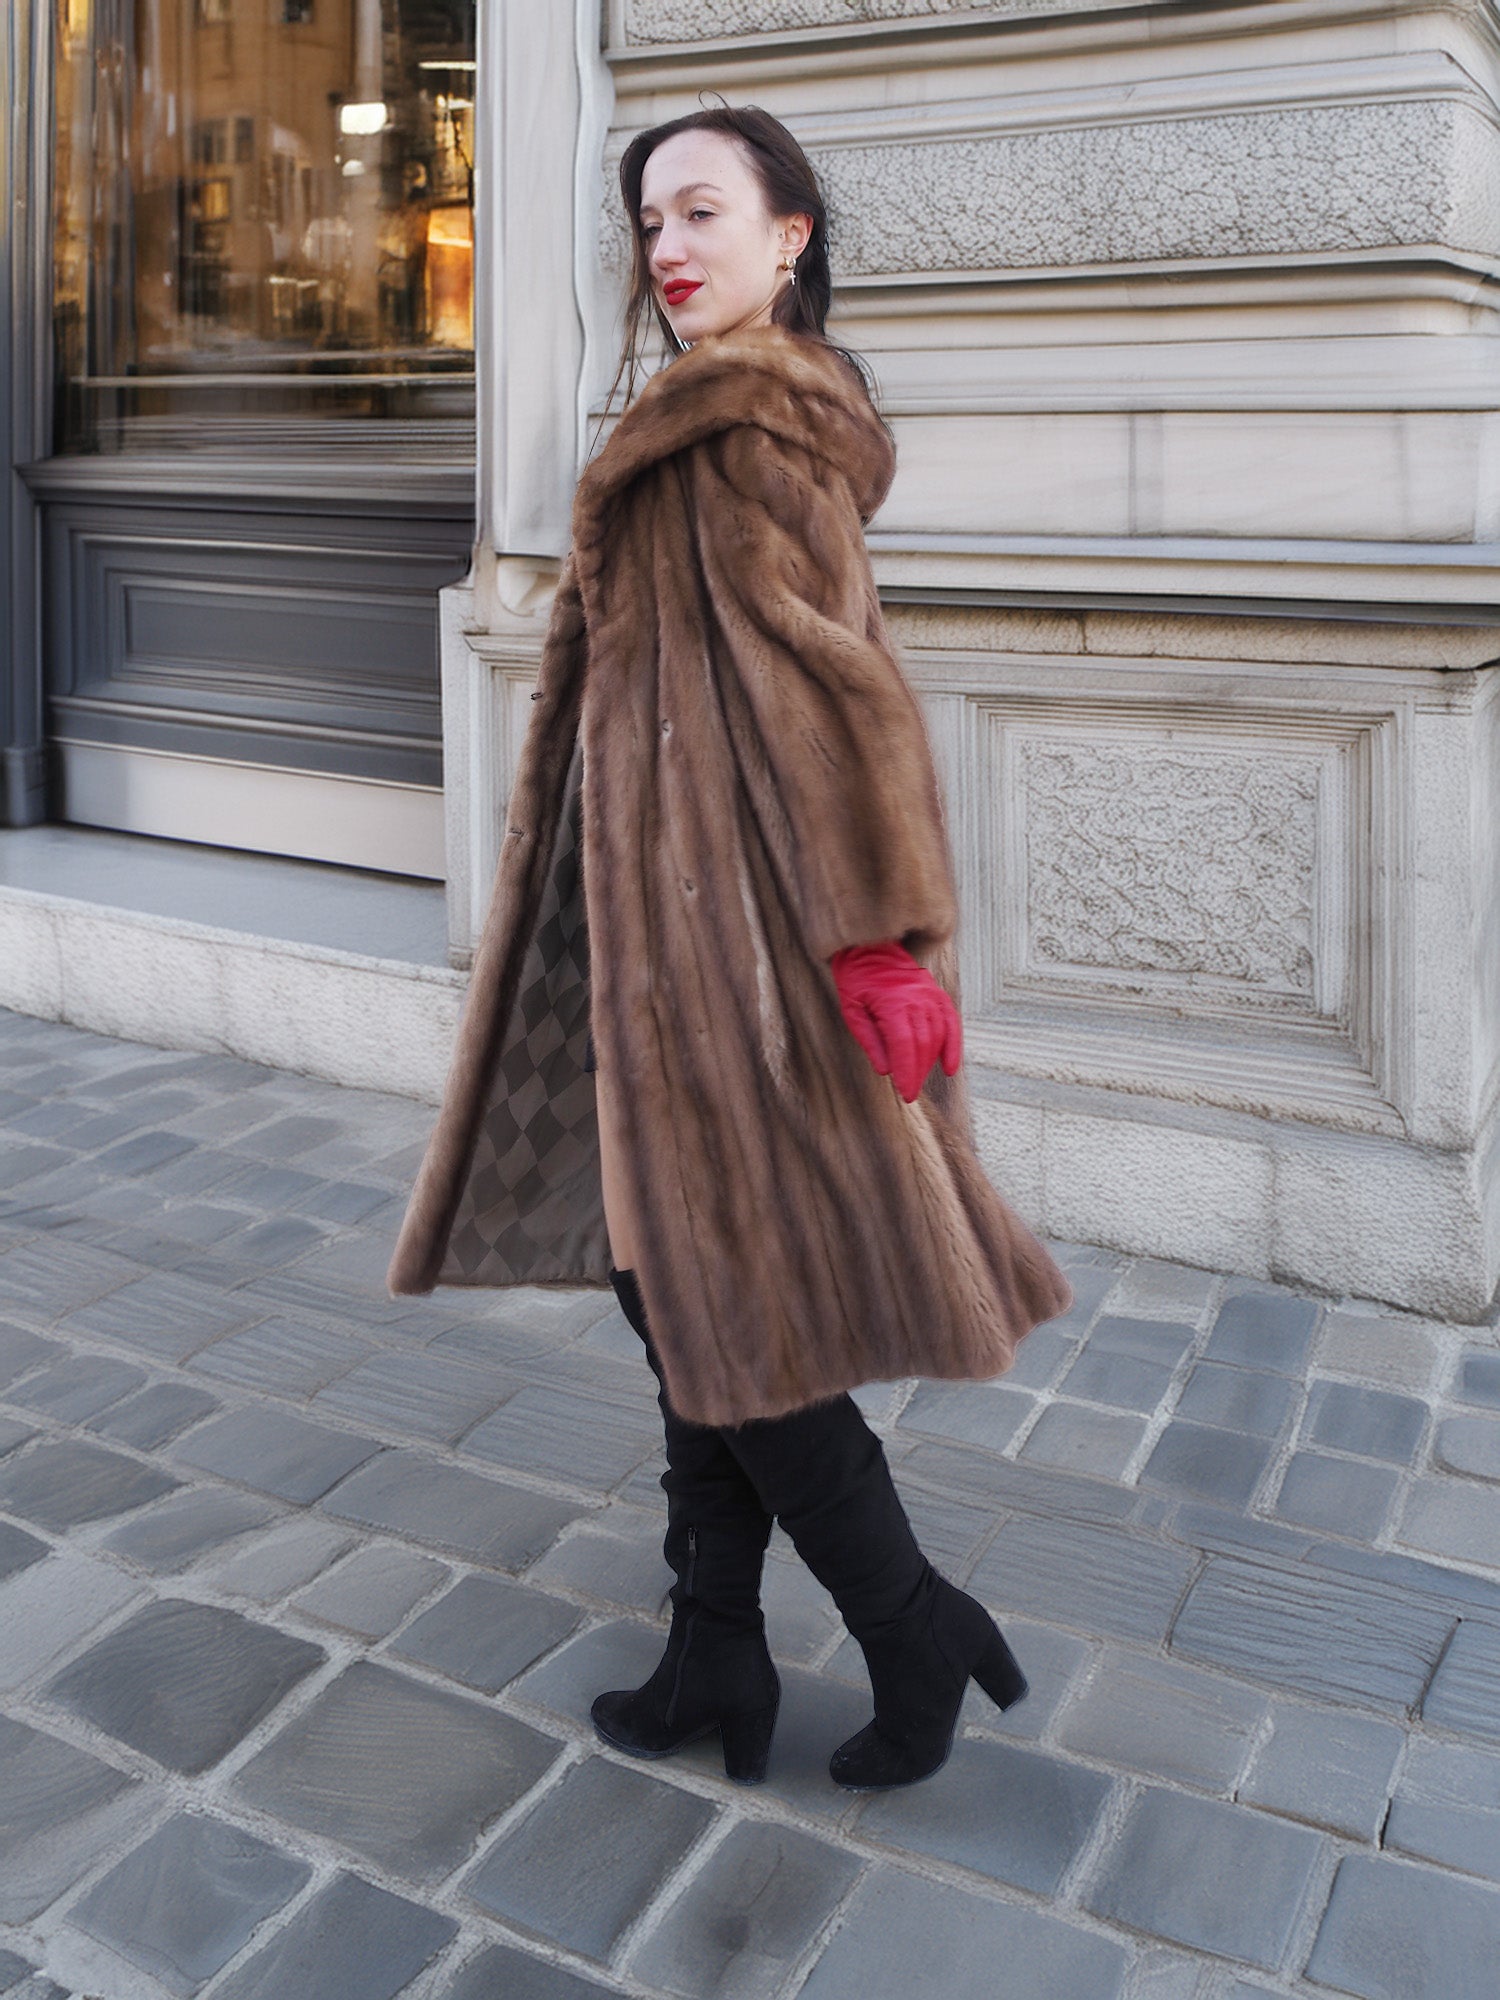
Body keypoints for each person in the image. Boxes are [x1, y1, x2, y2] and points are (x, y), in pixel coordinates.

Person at [387, 103, 1073, 1792]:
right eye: (649, 222)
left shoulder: (744, 430)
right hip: (665, 940)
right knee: (693, 1288)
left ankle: (910, 1621)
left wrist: (869, 941)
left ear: (793, 237)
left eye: (706, 211)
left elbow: (838, 697)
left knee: (701, 1293)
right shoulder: (715, 418)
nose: (671, 246)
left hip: (737, 957)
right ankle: (715, 1645)